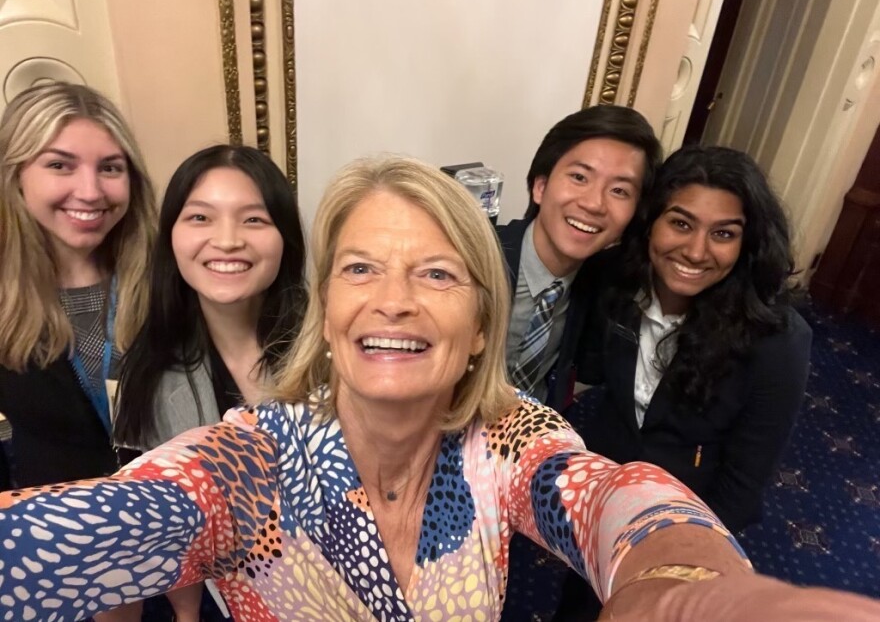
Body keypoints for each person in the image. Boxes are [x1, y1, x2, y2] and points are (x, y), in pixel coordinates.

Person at [2, 157, 877, 621]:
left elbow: (615, 496)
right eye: (360, 268)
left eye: (436, 273)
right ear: (329, 311)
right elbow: (86, 532)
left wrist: (683, 583)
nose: (393, 297)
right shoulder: (247, 464)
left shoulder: (508, 438)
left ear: (480, 330)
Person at [109, 145, 307, 621]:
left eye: (254, 220)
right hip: (226, 598)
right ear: (171, 236)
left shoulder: (328, 351)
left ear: (286, 239)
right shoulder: (146, 372)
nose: (227, 240)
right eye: (200, 217)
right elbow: (159, 531)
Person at [582, 145, 812, 533]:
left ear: (746, 244)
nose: (696, 251)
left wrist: (681, 547)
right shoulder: (613, 280)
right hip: (601, 488)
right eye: (681, 224)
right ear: (650, 221)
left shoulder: (778, 342)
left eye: (723, 233)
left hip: (688, 514)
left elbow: (742, 487)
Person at [0, 81, 156, 489]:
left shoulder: (170, 277)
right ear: (16, 176)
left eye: (110, 168)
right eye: (59, 165)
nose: (90, 192)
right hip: (57, 531)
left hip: (175, 525)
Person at [496, 105, 662, 412]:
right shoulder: (478, 261)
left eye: (619, 190)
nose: (594, 204)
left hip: (534, 442)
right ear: (540, 186)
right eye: (579, 177)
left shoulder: (605, 283)